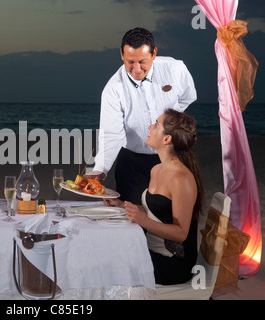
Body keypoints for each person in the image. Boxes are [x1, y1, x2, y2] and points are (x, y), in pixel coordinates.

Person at [85, 27, 197, 204]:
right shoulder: (113, 89)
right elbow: (112, 134)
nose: (136, 69)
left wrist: (170, 123)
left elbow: (188, 96)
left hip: (172, 156)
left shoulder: (175, 69)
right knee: (133, 219)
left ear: (154, 54)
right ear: (121, 54)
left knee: (176, 214)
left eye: (142, 61)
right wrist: (100, 170)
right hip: (133, 162)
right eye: (130, 61)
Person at [105, 109, 204, 285]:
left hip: (174, 264)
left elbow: (181, 234)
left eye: (156, 124)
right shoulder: (156, 169)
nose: (150, 127)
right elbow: (156, 210)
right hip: (150, 250)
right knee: (107, 249)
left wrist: (141, 220)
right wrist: (122, 205)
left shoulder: (181, 178)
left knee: (109, 261)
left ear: (167, 139)